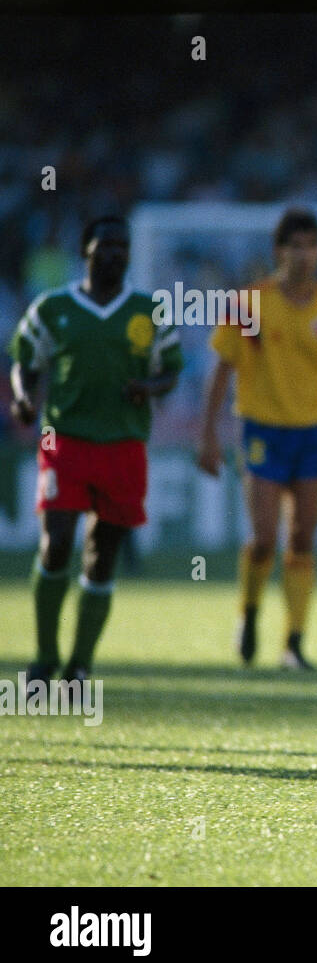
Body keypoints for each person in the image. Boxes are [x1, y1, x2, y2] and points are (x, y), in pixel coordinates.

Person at [198, 208, 317, 671]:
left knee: (301, 538)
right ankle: (250, 613)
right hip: (262, 430)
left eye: (311, 245)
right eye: (294, 245)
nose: (303, 254)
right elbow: (222, 370)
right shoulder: (250, 304)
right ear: (279, 251)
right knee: (263, 539)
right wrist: (207, 435)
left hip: (316, 433)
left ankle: (293, 643)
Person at [8, 214, 182, 688]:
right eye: (105, 246)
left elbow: (171, 369)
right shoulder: (53, 308)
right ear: (85, 251)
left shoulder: (149, 312)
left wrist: (150, 386)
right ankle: (44, 658)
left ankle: (79, 666)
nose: (115, 255)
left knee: (102, 557)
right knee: (57, 540)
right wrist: (23, 398)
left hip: (124, 446)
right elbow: (26, 360)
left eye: (122, 247)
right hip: (64, 441)